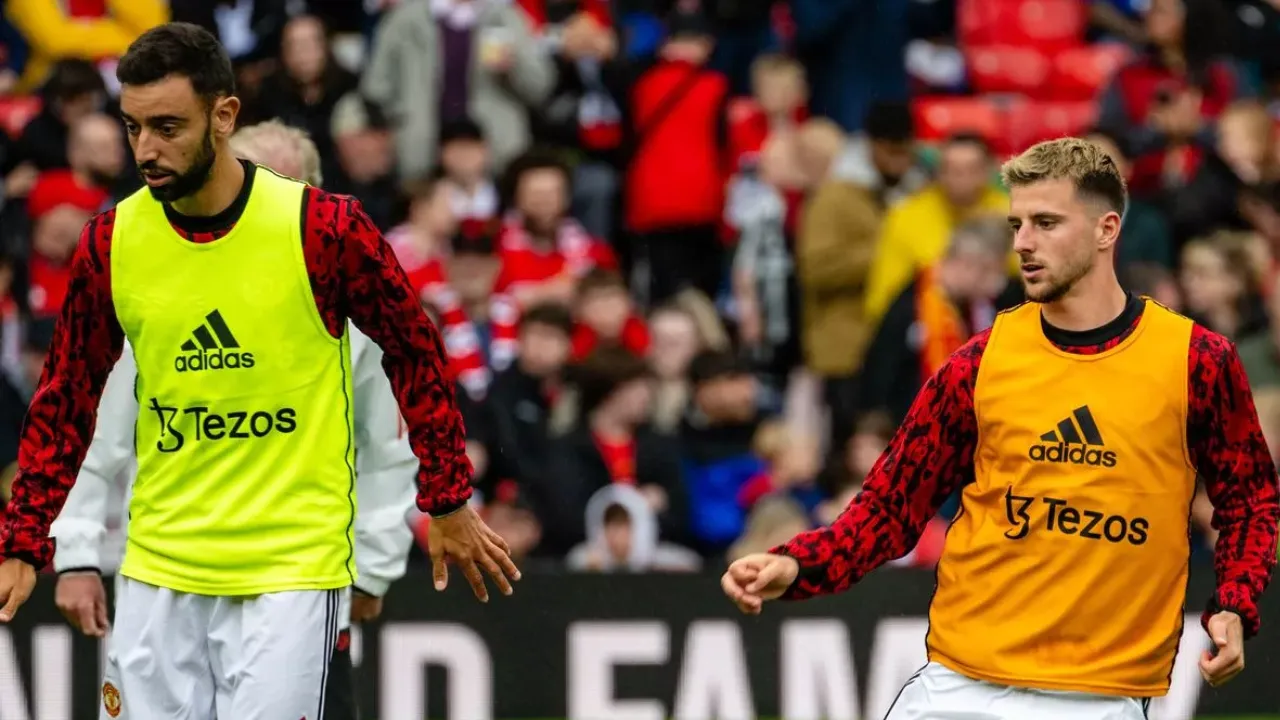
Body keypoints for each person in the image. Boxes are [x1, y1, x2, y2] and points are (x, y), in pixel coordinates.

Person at [0, 22, 518, 720]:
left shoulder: (324, 230)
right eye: (133, 127)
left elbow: (415, 351)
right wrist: (27, 539)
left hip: (290, 573)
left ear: (224, 115)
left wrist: (447, 497)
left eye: (168, 127)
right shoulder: (112, 241)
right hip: (159, 568)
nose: (146, 149)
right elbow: (66, 400)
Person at [721, 137, 1280, 717]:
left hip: (1100, 696)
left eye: (1045, 222)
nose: (1023, 244)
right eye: (1016, 224)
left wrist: (1235, 604)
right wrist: (798, 563)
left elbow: (1251, 499)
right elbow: (889, 508)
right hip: (957, 686)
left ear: (1106, 229)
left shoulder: (1197, 362)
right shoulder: (977, 363)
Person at [48, 119, 413, 720]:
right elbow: (92, 430)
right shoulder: (156, 294)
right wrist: (79, 552)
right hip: (174, 569)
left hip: (297, 572)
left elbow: (386, 448)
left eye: (279, 185)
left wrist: (373, 565)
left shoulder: (349, 315)